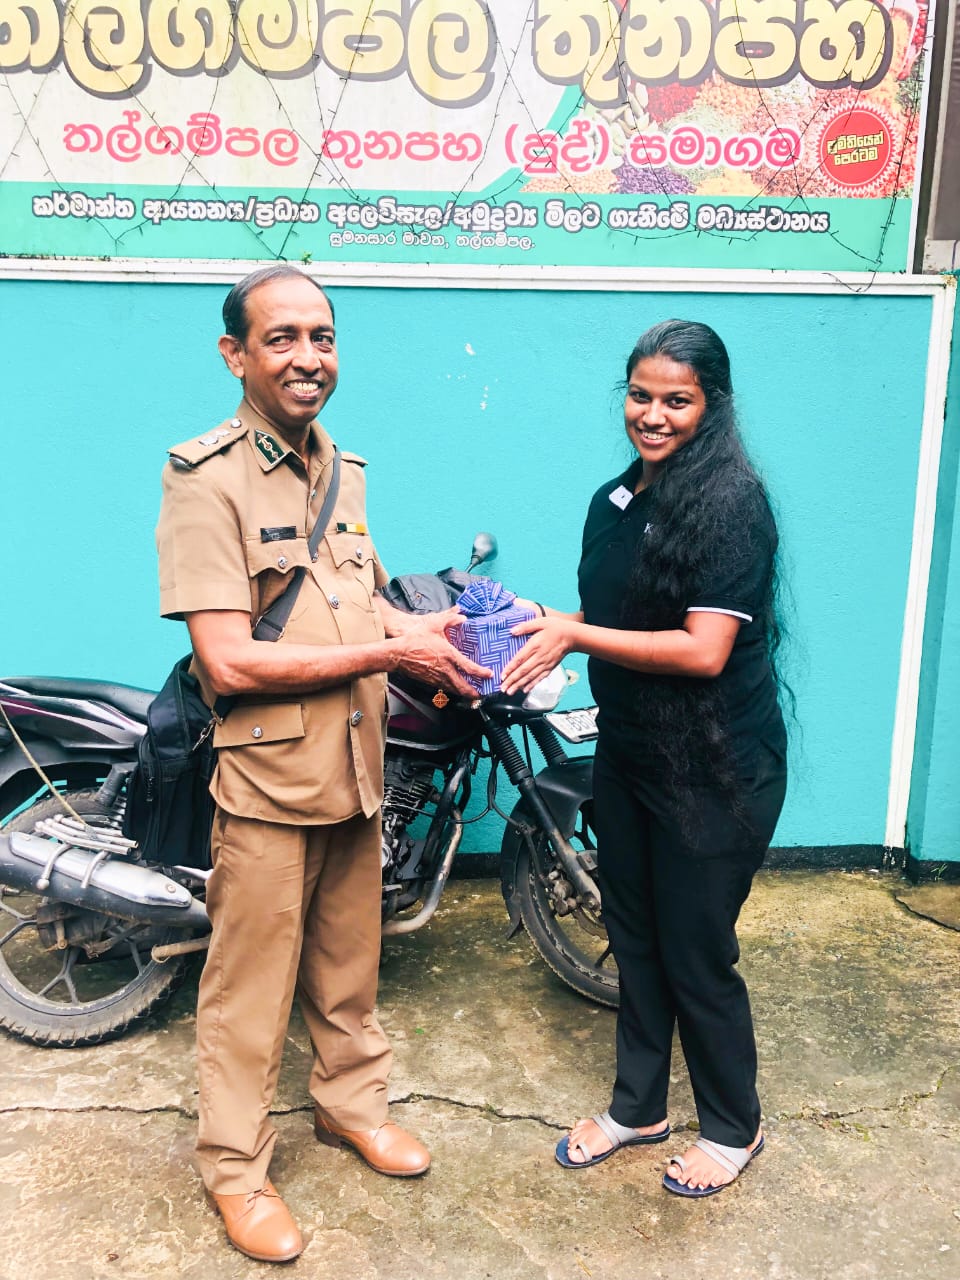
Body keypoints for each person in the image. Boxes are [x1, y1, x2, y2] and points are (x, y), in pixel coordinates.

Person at [155, 264, 491, 1262]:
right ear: (237, 355)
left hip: (355, 766)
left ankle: (351, 1107)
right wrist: (391, 656)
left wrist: (419, 630)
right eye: (283, 337)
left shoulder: (343, 467)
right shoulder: (204, 478)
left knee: (350, 967)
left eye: (323, 336)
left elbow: (353, 601)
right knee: (249, 993)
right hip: (268, 782)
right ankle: (236, 1169)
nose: (309, 357)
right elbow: (228, 658)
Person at [500, 319, 788, 1198]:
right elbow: (611, 619)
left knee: (695, 950)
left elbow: (702, 650)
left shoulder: (733, 504)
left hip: (717, 769)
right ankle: (639, 1109)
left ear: (712, 405)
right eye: (640, 395)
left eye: (677, 400)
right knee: (634, 938)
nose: (653, 415)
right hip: (628, 756)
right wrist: (532, 620)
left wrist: (574, 636)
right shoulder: (615, 499)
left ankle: (734, 1127)